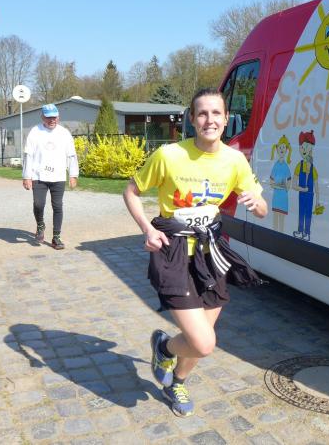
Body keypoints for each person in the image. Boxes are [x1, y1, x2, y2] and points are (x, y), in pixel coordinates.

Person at [123, 88, 267, 417]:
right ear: (192, 119)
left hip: (210, 253)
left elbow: (261, 208)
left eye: (216, 113)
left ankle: (177, 381)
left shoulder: (235, 160)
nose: (209, 120)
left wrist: (256, 202)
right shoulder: (169, 155)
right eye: (202, 113)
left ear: (227, 119)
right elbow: (131, 192)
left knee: (202, 338)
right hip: (174, 254)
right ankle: (164, 347)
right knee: (203, 342)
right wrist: (148, 229)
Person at [22, 104, 79, 250]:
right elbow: (28, 155)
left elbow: (71, 155)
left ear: (58, 117)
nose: (52, 120)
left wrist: (73, 174)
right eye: (48, 117)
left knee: (57, 206)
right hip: (38, 176)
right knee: (38, 204)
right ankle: (40, 225)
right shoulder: (35, 132)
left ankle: (56, 237)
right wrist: (26, 176)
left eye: (54, 117)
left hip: (58, 176)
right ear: (42, 117)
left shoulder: (64, 133)